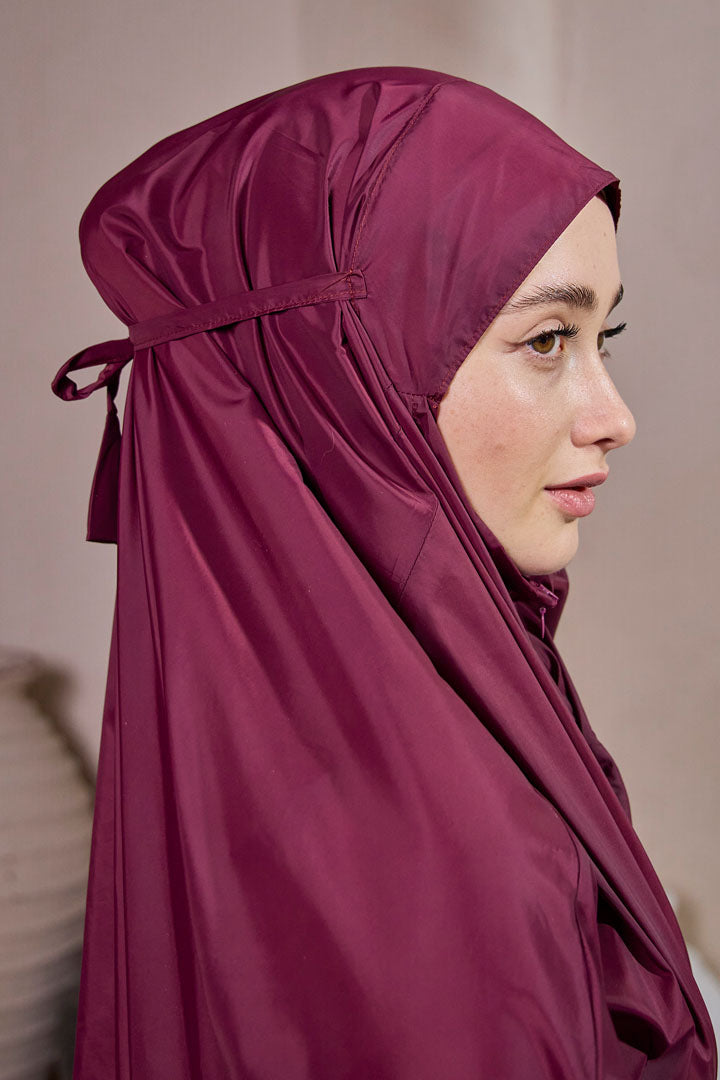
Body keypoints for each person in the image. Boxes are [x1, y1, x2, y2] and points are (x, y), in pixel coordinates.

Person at [52, 67, 716, 1078]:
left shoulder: (360, 721)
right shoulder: (445, 867)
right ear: (342, 379)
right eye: (547, 340)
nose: (614, 417)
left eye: (603, 339)